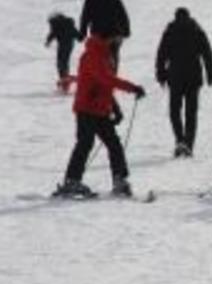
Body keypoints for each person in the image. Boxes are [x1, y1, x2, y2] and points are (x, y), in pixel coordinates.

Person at [53, 33, 146, 198]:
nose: (120, 42)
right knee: (85, 143)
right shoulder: (94, 54)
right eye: (118, 39)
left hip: (100, 109)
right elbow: (106, 79)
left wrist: (114, 108)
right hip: (87, 108)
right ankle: (72, 181)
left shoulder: (104, 55)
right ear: (109, 37)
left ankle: (119, 180)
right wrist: (132, 88)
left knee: (113, 144)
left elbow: (104, 86)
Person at [155, 8, 212, 158]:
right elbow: (207, 53)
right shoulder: (196, 30)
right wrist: (210, 73)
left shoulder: (170, 31)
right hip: (193, 77)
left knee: (174, 111)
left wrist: (161, 74)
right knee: (191, 112)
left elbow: (161, 55)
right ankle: (188, 143)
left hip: (175, 77)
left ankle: (180, 140)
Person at [79, 0, 130, 68]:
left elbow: (85, 18)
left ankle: (103, 75)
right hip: (114, 34)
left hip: (98, 35)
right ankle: (112, 75)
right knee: (113, 54)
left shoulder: (90, 0)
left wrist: (82, 33)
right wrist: (126, 31)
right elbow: (123, 16)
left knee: (99, 57)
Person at [46, 12, 82, 93]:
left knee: (61, 62)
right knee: (64, 62)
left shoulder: (56, 26)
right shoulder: (69, 24)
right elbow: (77, 35)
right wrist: (80, 37)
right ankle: (64, 79)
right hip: (69, 46)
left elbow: (52, 34)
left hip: (63, 46)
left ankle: (64, 80)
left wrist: (48, 41)